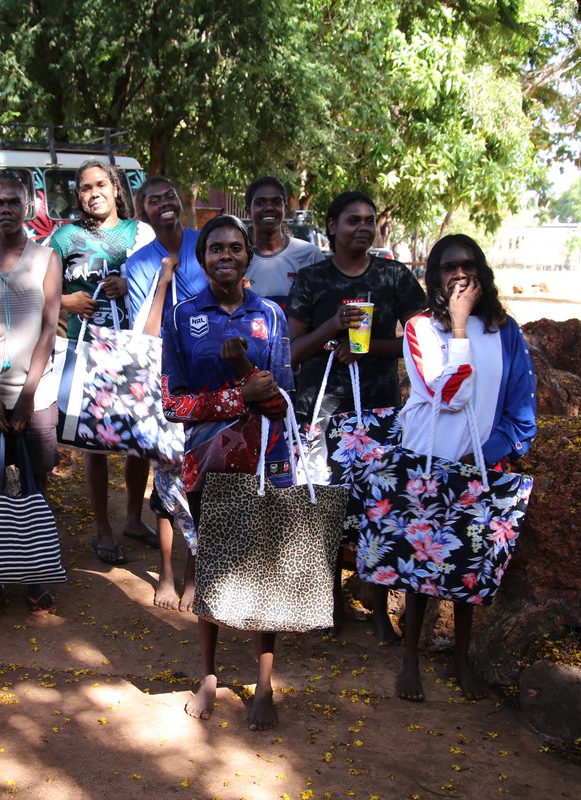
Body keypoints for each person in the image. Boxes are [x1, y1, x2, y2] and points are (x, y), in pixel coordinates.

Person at [162, 214, 294, 731]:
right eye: (215, 248)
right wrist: (239, 394)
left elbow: (284, 395)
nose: (225, 255)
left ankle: (263, 685)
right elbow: (174, 402)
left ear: (248, 256)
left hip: (266, 455)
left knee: (266, 570)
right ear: (202, 258)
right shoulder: (183, 316)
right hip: (208, 455)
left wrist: (260, 389)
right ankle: (210, 675)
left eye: (235, 248)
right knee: (212, 565)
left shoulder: (271, 317)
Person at [395, 233, 537, 701]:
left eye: (468, 264)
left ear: (481, 272)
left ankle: (461, 661)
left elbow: (522, 412)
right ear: (434, 276)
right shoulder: (419, 329)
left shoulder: (505, 331)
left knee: (467, 568)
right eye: (448, 266)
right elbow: (448, 396)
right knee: (419, 570)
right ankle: (409, 661)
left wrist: (486, 458)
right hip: (429, 461)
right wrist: (457, 326)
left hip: (482, 464)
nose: (460, 274)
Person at [286, 191, 426, 643]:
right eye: (352, 220)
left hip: (379, 410)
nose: (362, 228)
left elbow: (422, 337)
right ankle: (327, 600)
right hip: (320, 410)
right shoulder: (311, 280)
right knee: (323, 506)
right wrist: (333, 329)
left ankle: (380, 607)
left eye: (369, 220)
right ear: (331, 226)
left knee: (377, 510)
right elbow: (291, 352)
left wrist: (367, 347)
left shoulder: (393, 276)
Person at [0, 170, 63, 618]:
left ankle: (38, 576)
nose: (5, 209)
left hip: (36, 399)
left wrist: (26, 393)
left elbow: (48, 330)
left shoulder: (46, 259)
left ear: (29, 208)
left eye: (13, 202)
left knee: (37, 488)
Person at [49, 159, 156, 565]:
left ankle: (132, 517)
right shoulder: (64, 238)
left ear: (115, 189)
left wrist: (129, 284)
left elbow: (162, 279)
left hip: (134, 347)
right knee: (90, 443)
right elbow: (38, 291)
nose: (92, 193)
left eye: (99, 185)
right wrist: (67, 301)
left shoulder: (140, 233)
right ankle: (103, 528)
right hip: (85, 350)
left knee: (137, 440)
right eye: (84, 188)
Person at [125, 177, 208, 610]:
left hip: (209, 380)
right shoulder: (139, 263)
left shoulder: (206, 243)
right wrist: (163, 279)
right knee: (166, 478)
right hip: (164, 384)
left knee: (201, 475)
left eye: (170, 197)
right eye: (153, 201)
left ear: (182, 202)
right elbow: (149, 334)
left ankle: (196, 571)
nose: (164, 205)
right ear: (144, 213)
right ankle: (167, 572)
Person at [243, 176, 325, 308]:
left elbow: (322, 308)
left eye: (276, 202)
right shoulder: (239, 259)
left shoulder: (310, 254)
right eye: (260, 203)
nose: (269, 208)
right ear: (248, 211)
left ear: (285, 209)